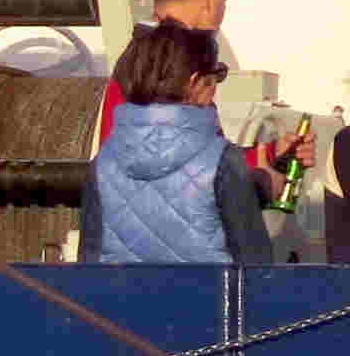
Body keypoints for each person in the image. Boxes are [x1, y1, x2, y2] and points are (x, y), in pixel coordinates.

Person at [83, 21, 273, 265]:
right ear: (194, 83)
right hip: (207, 302)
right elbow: (255, 267)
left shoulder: (101, 165)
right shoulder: (223, 162)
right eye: (214, 78)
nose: (215, 90)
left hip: (117, 302)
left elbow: (89, 266)